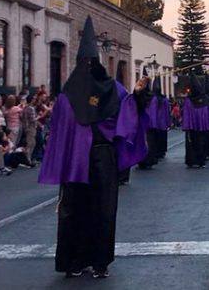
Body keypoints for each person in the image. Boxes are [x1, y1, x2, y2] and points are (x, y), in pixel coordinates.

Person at [38, 16, 148, 279]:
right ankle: (99, 263)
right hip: (103, 157)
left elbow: (59, 135)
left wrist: (61, 161)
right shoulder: (115, 91)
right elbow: (130, 117)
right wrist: (140, 95)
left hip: (77, 161)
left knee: (74, 209)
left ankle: (74, 261)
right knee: (103, 209)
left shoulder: (66, 96)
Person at [139, 77, 171, 169]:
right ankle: (154, 156)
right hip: (156, 123)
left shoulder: (140, 97)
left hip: (143, 125)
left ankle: (143, 160)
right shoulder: (156, 99)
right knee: (152, 142)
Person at [182, 74, 209, 168]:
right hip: (202, 128)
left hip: (192, 128)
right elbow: (208, 114)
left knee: (191, 145)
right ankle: (201, 161)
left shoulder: (188, 100)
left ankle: (191, 161)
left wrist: (187, 126)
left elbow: (186, 115)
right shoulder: (205, 99)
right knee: (202, 143)